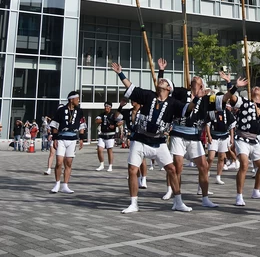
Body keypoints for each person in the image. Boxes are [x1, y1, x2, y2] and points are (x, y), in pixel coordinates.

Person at [111, 61, 192, 213]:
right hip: (140, 139)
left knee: (172, 170)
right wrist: (120, 73)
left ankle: (178, 202)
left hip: (159, 142)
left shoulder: (174, 103)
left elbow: (188, 109)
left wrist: (198, 98)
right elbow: (131, 88)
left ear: (169, 89)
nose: (161, 80)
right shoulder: (148, 95)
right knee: (132, 170)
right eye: (161, 80)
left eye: (164, 81)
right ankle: (133, 204)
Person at [163, 64, 238, 209]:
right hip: (178, 132)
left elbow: (225, 99)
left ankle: (205, 198)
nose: (195, 78)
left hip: (194, 135)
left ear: (202, 86)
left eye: (198, 79)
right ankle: (176, 199)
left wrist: (233, 85)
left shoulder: (206, 99)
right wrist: (162, 72)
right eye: (194, 79)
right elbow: (165, 88)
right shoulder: (180, 92)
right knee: (177, 166)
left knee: (204, 166)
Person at [221, 72, 260, 206]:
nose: (256, 89)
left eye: (259, 89)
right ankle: (239, 196)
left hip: (254, 140)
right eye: (254, 88)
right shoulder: (244, 103)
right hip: (241, 138)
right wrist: (231, 84)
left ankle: (256, 191)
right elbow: (231, 97)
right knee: (244, 164)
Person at [49, 91, 86, 194]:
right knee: (59, 162)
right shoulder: (61, 110)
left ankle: (65, 185)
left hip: (73, 139)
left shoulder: (79, 111)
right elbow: (55, 125)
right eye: (77, 99)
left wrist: (82, 138)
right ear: (71, 100)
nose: (78, 100)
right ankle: (57, 183)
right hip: (61, 138)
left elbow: (82, 125)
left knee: (69, 162)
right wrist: (55, 138)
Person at [206, 104, 236, 185]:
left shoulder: (227, 112)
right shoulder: (212, 112)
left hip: (224, 136)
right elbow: (208, 124)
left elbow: (231, 126)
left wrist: (232, 138)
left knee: (222, 158)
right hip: (214, 136)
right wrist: (208, 135)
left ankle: (218, 176)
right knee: (211, 157)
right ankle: (206, 172)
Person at [95, 102, 123, 172]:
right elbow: (96, 120)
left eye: (108, 106)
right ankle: (101, 164)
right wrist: (101, 120)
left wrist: (115, 125)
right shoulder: (102, 114)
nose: (106, 108)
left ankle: (110, 165)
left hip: (110, 134)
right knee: (99, 149)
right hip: (102, 134)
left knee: (109, 150)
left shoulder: (113, 115)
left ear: (110, 107)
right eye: (105, 106)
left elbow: (121, 122)